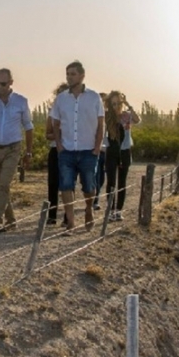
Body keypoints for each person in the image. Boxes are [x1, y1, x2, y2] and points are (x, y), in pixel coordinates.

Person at [50, 61, 104, 234]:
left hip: (88, 150)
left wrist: (97, 147)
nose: (69, 77)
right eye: (67, 74)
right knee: (65, 185)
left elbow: (101, 124)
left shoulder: (94, 97)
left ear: (82, 76)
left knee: (89, 186)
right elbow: (55, 122)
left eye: (73, 74)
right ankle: (71, 223)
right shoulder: (61, 99)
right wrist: (59, 145)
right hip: (66, 150)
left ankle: (89, 209)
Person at [0, 68, 34, 232]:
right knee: (0, 186)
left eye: (3, 83)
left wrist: (28, 152)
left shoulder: (21, 101)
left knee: (4, 185)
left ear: (11, 83)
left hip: (13, 149)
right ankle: (11, 219)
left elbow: (28, 127)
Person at [104, 91, 140, 221]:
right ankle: (110, 210)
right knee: (111, 182)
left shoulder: (127, 116)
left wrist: (128, 105)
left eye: (118, 103)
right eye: (113, 103)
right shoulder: (107, 116)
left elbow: (137, 120)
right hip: (111, 151)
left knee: (122, 182)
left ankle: (118, 211)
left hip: (124, 151)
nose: (116, 106)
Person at [45, 83, 69, 225]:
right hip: (55, 150)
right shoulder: (52, 113)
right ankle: (52, 215)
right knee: (53, 183)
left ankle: (67, 216)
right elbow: (47, 135)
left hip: (69, 150)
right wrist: (57, 133)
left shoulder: (75, 113)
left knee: (68, 183)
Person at [93, 92, 108, 211]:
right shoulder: (94, 116)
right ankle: (95, 200)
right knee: (96, 176)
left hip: (108, 151)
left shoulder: (110, 117)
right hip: (98, 150)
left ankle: (95, 197)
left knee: (102, 178)